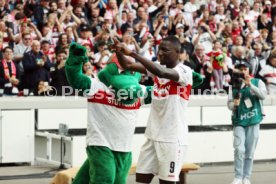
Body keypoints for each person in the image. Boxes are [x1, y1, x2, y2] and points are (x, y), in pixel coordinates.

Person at [65, 43, 152, 184]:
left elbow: (162, 90)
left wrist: (184, 82)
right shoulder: (96, 86)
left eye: (131, 67)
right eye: (122, 66)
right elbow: (76, 80)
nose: (127, 69)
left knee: (111, 180)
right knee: (104, 179)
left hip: (124, 148)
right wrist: (75, 60)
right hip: (100, 144)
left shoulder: (139, 91)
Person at [114, 35, 193, 183]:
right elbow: (128, 66)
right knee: (141, 179)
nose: (160, 53)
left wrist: (132, 53)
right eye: (159, 49)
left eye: (165, 50)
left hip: (172, 138)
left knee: (166, 182)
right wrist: (119, 50)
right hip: (152, 135)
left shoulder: (184, 71)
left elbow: (162, 73)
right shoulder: (157, 67)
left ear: (178, 52)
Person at [227, 61, 266, 184]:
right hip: (239, 121)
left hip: (254, 120)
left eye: (245, 69)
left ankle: (246, 177)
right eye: (240, 69)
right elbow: (229, 104)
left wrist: (250, 85)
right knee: (239, 149)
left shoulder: (258, 82)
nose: (243, 71)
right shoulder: (233, 85)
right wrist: (234, 105)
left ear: (249, 70)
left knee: (249, 152)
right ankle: (238, 176)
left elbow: (263, 96)